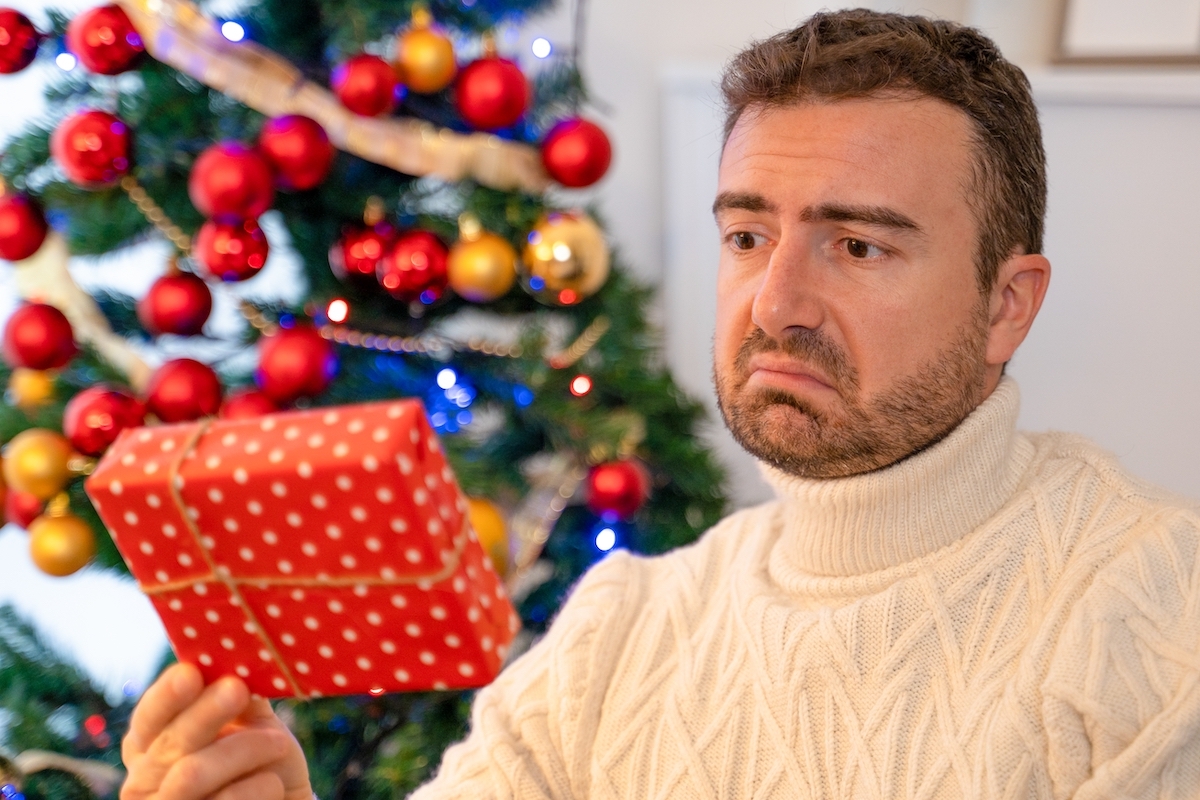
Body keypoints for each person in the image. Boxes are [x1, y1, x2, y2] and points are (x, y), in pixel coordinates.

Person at [119, 10, 1200, 800]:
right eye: (747, 235)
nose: (777, 303)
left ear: (1007, 304)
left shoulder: (1159, 615)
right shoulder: (625, 626)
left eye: (858, 244)